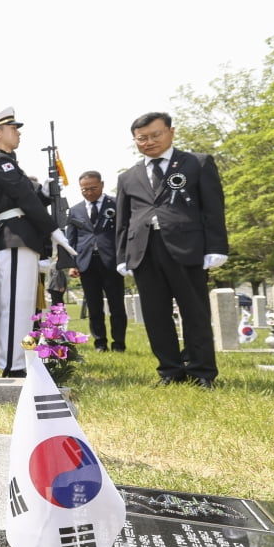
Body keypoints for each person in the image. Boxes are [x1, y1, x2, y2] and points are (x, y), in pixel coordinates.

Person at [116, 112, 228, 387]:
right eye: (142, 138)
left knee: (195, 312)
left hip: (186, 246)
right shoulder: (128, 176)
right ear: (135, 140)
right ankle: (170, 370)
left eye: (156, 135)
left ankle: (202, 371)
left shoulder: (197, 163)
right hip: (144, 250)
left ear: (171, 132)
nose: (150, 142)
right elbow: (122, 220)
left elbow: (213, 208)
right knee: (155, 314)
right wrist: (122, 256)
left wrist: (216, 247)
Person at [0, 107, 75, 377]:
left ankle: (23, 361)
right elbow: (24, 197)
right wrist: (54, 229)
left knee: (26, 306)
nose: (18, 133)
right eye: (13, 128)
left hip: (23, 237)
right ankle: (13, 366)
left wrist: (45, 193)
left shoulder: (9, 163)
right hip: (13, 238)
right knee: (15, 307)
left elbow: (27, 196)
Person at [66, 171, 126, 352]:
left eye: (93, 188)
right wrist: (72, 263)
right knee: (94, 306)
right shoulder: (75, 210)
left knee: (116, 305)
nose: (89, 192)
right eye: (84, 189)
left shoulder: (116, 204)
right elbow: (72, 239)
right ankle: (100, 342)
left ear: (102, 185)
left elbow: (124, 231)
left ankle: (119, 343)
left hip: (111, 261)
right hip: (87, 263)